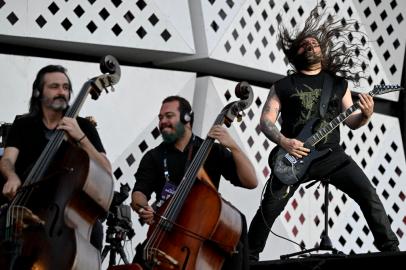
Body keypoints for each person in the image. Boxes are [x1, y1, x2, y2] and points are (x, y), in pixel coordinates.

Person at [247, 5, 400, 261]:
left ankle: (391, 250)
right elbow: (266, 121)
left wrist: (366, 114)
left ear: (322, 50)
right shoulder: (283, 86)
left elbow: (351, 121)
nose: (310, 45)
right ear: (296, 54)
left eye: (314, 43)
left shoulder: (338, 84)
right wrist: (285, 141)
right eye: (304, 44)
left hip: (332, 156)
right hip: (294, 157)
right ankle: (248, 259)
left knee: (368, 194)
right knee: (269, 208)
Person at [131, 95, 258, 270]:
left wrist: (233, 146)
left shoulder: (211, 150)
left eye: (169, 116)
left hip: (201, 235)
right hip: (165, 233)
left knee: (234, 253)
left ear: (187, 118)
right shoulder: (154, 156)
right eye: (160, 118)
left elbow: (251, 181)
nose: (162, 122)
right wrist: (143, 208)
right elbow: (138, 193)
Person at [0, 64, 111, 251]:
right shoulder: (23, 124)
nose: (61, 92)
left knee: (94, 231)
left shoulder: (83, 126)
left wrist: (81, 137)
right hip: (25, 204)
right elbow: (7, 160)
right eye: (54, 87)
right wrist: (11, 176)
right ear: (38, 92)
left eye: (66, 88)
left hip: (63, 211)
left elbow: (106, 169)